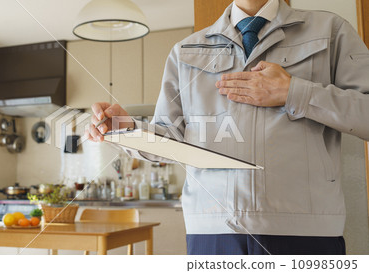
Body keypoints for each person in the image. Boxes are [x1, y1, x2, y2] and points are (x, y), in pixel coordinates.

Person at [85, 0, 369, 254]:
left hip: (305, 233)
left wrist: (294, 92)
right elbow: (171, 139)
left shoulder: (331, 31)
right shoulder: (183, 52)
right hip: (211, 234)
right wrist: (124, 129)